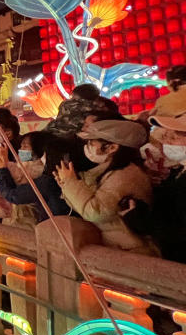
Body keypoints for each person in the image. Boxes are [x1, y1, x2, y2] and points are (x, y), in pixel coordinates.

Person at [53, 119, 154, 253]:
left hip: (132, 250)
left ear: (112, 147)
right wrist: (66, 185)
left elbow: (95, 213)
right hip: (116, 247)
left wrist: (71, 183)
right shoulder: (103, 171)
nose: (87, 147)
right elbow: (83, 207)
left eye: (91, 143)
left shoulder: (125, 176)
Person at [0, 132, 71, 225]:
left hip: (32, 223)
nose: (20, 149)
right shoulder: (20, 167)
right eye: (21, 146)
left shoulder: (44, 177)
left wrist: (2, 167)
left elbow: (14, 195)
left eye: (25, 146)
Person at [145, 111, 186, 261]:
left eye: (174, 137)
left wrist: (140, 219)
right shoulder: (180, 169)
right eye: (166, 136)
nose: (167, 142)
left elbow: (179, 232)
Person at [45, 83, 119, 137]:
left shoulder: (66, 104)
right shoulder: (100, 109)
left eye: (73, 97)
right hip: (70, 143)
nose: (71, 100)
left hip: (51, 136)